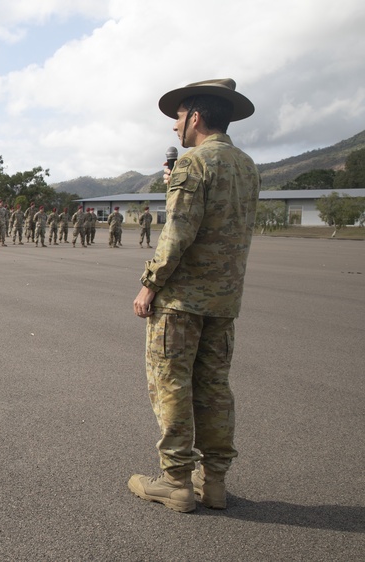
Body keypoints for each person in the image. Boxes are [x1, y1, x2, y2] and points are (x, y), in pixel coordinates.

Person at [128, 78, 259, 513]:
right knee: (215, 389)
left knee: (172, 386)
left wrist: (149, 284)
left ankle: (177, 482)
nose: (174, 128)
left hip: (182, 302)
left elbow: (178, 234)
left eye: (179, 117)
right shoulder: (246, 165)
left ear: (196, 117)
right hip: (223, 302)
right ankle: (215, 481)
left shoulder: (193, 165)